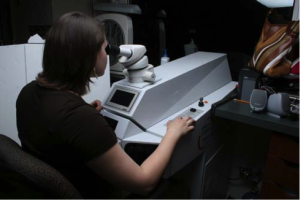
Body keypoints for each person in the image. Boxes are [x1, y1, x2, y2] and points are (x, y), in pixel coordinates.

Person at [16, 12, 195, 200]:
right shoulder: (80, 119)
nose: (108, 54)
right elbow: (144, 183)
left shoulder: (28, 92)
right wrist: (172, 134)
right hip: (97, 193)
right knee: (177, 190)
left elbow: (56, 131)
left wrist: (84, 113)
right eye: (104, 48)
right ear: (87, 58)